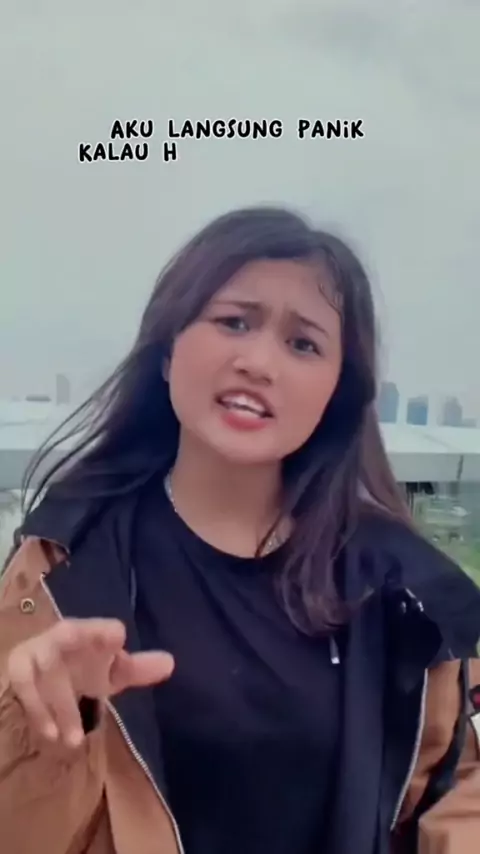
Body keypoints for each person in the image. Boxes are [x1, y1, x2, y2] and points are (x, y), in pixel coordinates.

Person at [0, 206, 479, 854]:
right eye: (234, 321)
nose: (258, 362)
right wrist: (44, 730)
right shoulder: (61, 563)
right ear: (168, 350)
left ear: (337, 393)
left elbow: (453, 797)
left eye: (303, 344)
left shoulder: (403, 592)